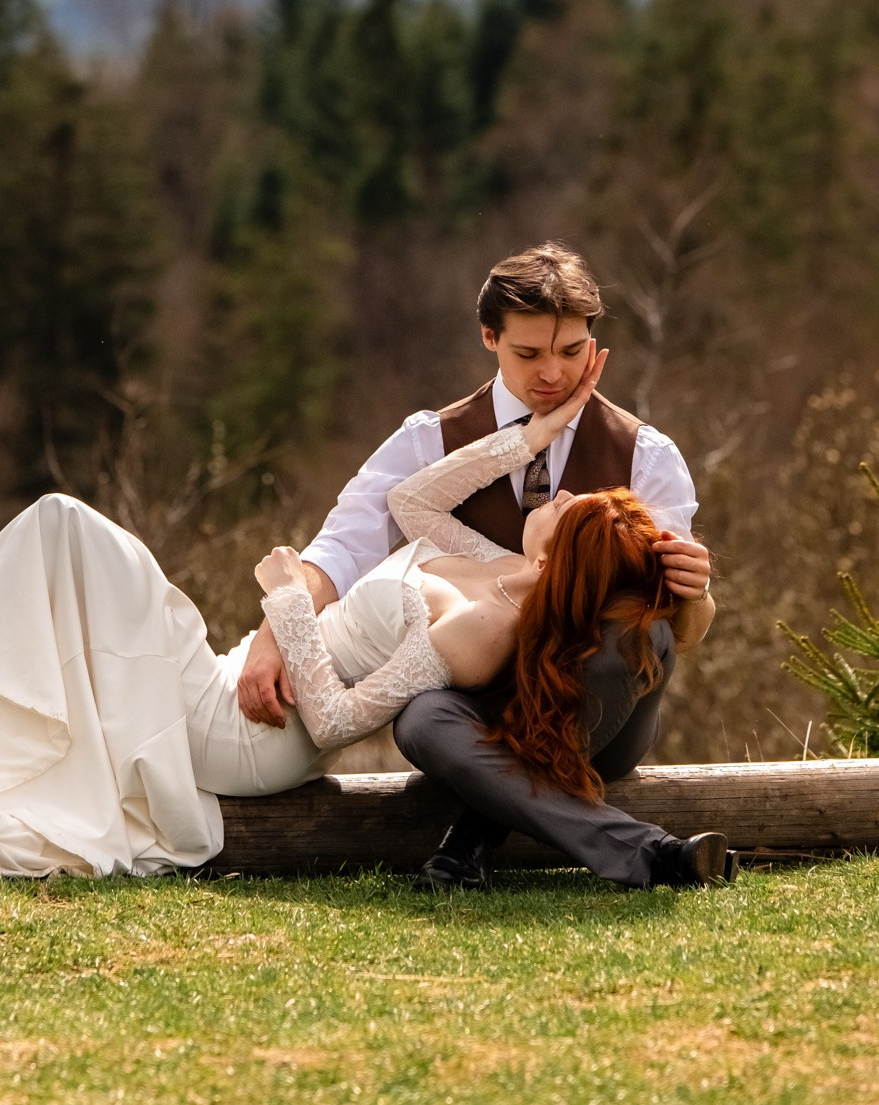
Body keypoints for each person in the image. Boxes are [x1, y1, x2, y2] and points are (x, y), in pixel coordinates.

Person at [0, 337, 726, 885]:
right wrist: (537, 428)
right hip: (228, 679)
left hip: (246, 738)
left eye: (567, 501)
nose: (553, 491)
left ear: (565, 551)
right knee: (50, 567)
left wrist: (287, 602)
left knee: (60, 529)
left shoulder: (484, 627)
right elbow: (410, 499)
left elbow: (342, 720)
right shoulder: (485, 560)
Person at [236, 238, 727, 890]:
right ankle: (645, 852)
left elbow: (680, 634)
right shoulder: (428, 441)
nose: (552, 373)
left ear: (594, 344)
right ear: (489, 337)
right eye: (529, 353)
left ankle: (471, 836)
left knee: (643, 632)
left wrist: (696, 595)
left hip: (593, 708)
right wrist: (273, 634)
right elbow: (343, 549)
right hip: (476, 709)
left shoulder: (646, 455)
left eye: (571, 351)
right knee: (421, 720)